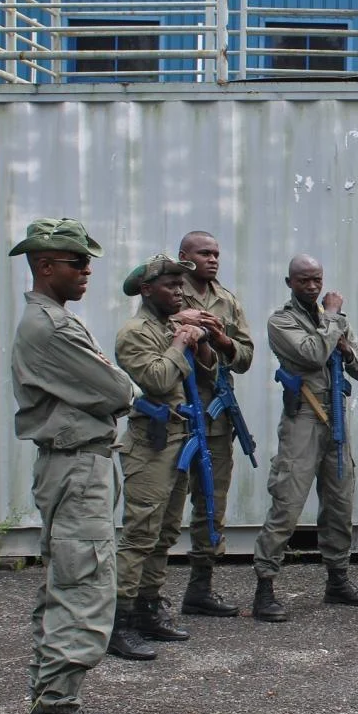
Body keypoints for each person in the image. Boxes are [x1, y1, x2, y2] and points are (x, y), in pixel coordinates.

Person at [10, 217, 133, 714]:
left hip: (81, 464)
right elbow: (118, 388)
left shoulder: (56, 319)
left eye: (87, 262)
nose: (87, 272)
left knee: (71, 579)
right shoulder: (52, 328)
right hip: (77, 466)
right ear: (44, 265)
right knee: (83, 587)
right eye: (77, 262)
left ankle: (53, 703)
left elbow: (107, 387)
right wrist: (110, 381)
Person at [251, 255, 358, 622]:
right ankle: (265, 585)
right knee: (287, 501)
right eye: (304, 280)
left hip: (336, 414)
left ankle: (338, 580)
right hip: (304, 416)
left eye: (316, 280)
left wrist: (347, 347)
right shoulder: (282, 321)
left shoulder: (332, 321)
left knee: (340, 500)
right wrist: (335, 322)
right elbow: (311, 353)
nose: (312, 287)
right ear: (289, 281)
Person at [112, 253, 209, 660]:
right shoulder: (135, 332)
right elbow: (156, 378)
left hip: (180, 438)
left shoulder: (173, 327)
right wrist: (181, 341)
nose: (180, 291)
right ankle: (117, 621)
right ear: (147, 290)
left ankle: (148, 607)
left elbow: (208, 371)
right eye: (170, 285)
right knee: (139, 534)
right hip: (150, 444)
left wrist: (204, 340)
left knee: (166, 531)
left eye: (181, 285)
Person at [176, 230, 255, 618]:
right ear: (184, 256)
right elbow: (147, 338)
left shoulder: (228, 302)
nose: (213, 259)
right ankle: (141, 596)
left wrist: (223, 341)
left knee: (211, 503)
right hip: (175, 412)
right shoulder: (168, 293)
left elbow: (246, 357)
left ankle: (200, 587)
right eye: (204, 253)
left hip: (216, 415)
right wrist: (182, 321)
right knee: (163, 503)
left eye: (216, 253)